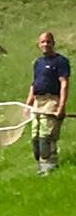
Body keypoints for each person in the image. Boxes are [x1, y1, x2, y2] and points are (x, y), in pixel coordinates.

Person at [25, 32, 70, 175]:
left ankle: (49, 168)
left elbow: (64, 84)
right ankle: (41, 166)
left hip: (51, 101)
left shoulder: (61, 61)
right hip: (38, 102)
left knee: (46, 136)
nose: (46, 44)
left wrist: (61, 106)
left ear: (53, 43)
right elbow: (34, 85)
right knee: (35, 138)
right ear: (39, 45)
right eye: (43, 42)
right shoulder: (38, 63)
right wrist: (28, 105)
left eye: (48, 42)